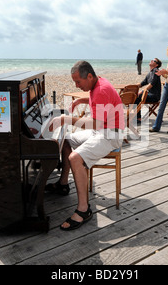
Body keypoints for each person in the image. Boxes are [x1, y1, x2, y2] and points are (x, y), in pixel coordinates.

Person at [46, 61, 125, 231]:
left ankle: (83, 210)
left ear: (89, 76)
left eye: (78, 82)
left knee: (75, 158)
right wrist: (82, 99)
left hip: (110, 134)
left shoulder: (101, 90)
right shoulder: (97, 83)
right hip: (102, 130)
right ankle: (63, 183)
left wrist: (64, 119)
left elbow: (95, 123)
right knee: (66, 140)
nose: (76, 85)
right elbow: (97, 101)